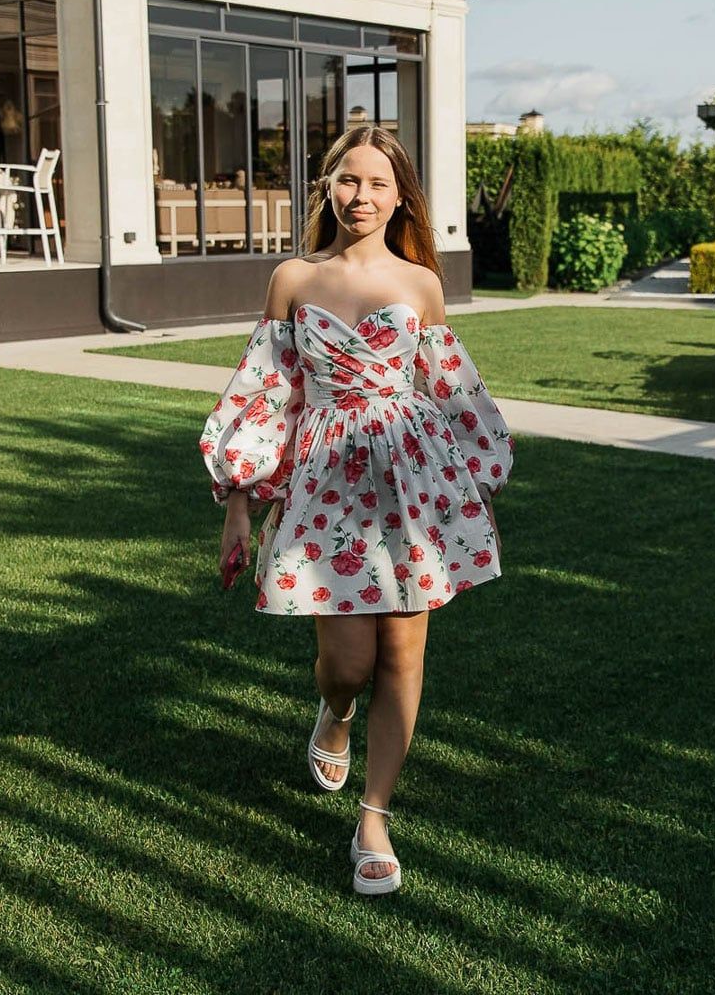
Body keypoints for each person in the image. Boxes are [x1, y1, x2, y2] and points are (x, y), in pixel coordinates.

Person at [200, 125, 513, 897]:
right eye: (348, 180)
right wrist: (239, 505)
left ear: (400, 197)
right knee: (347, 664)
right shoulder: (293, 278)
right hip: (326, 482)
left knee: (402, 657)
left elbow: (452, 390)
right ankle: (334, 713)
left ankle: (374, 820)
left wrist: (480, 490)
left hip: (414, 486)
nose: (360, 196)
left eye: (377, 183)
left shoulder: (421, 284)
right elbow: (266, 393)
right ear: (327, 188)